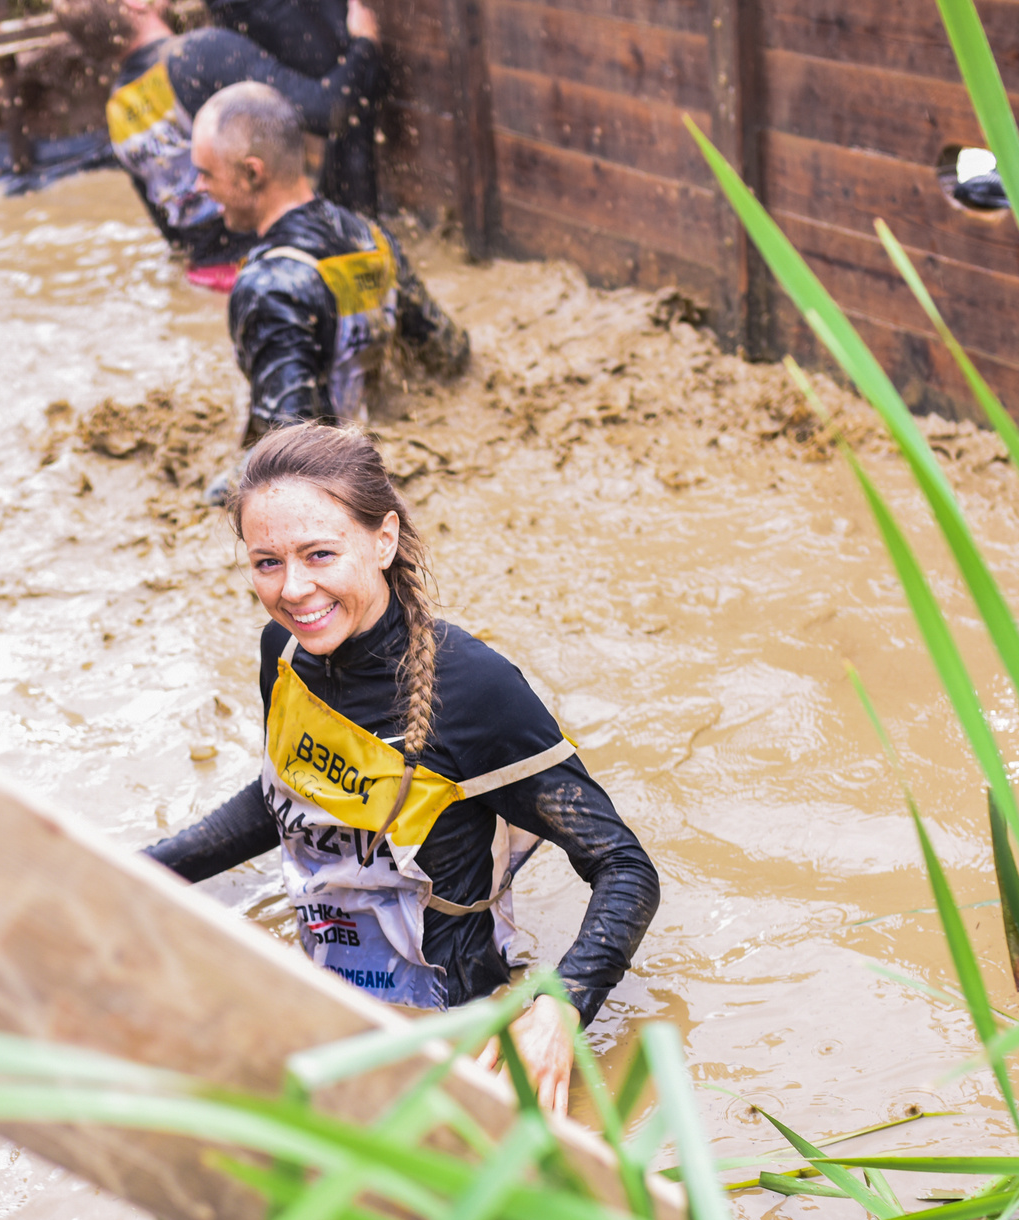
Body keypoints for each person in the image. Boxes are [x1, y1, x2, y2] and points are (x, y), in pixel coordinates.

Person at [144, 425, 659, 1115]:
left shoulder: (473, 689)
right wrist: (147, 869)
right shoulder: (285, 653)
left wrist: (558, 1009)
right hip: (329, 992)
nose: (293, 589)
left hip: (447, 1028)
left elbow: (625, 866)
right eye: (267, 562)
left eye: (320, 554)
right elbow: (286, 798)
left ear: (383, 540)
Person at [192, 81, 464, 453]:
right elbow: (449, 356)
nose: (198, 186)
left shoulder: (269, 285)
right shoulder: (372, 239)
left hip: (334, 470)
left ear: (252, 173)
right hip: (380, 451)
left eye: (206, 173)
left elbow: (290, 454)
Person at [55, 0, 381, 289]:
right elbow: (328, 111)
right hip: (281, 266)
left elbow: (173, 234)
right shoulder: (200, 53)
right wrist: (365, 42)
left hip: (209, 279)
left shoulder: (117, 109)